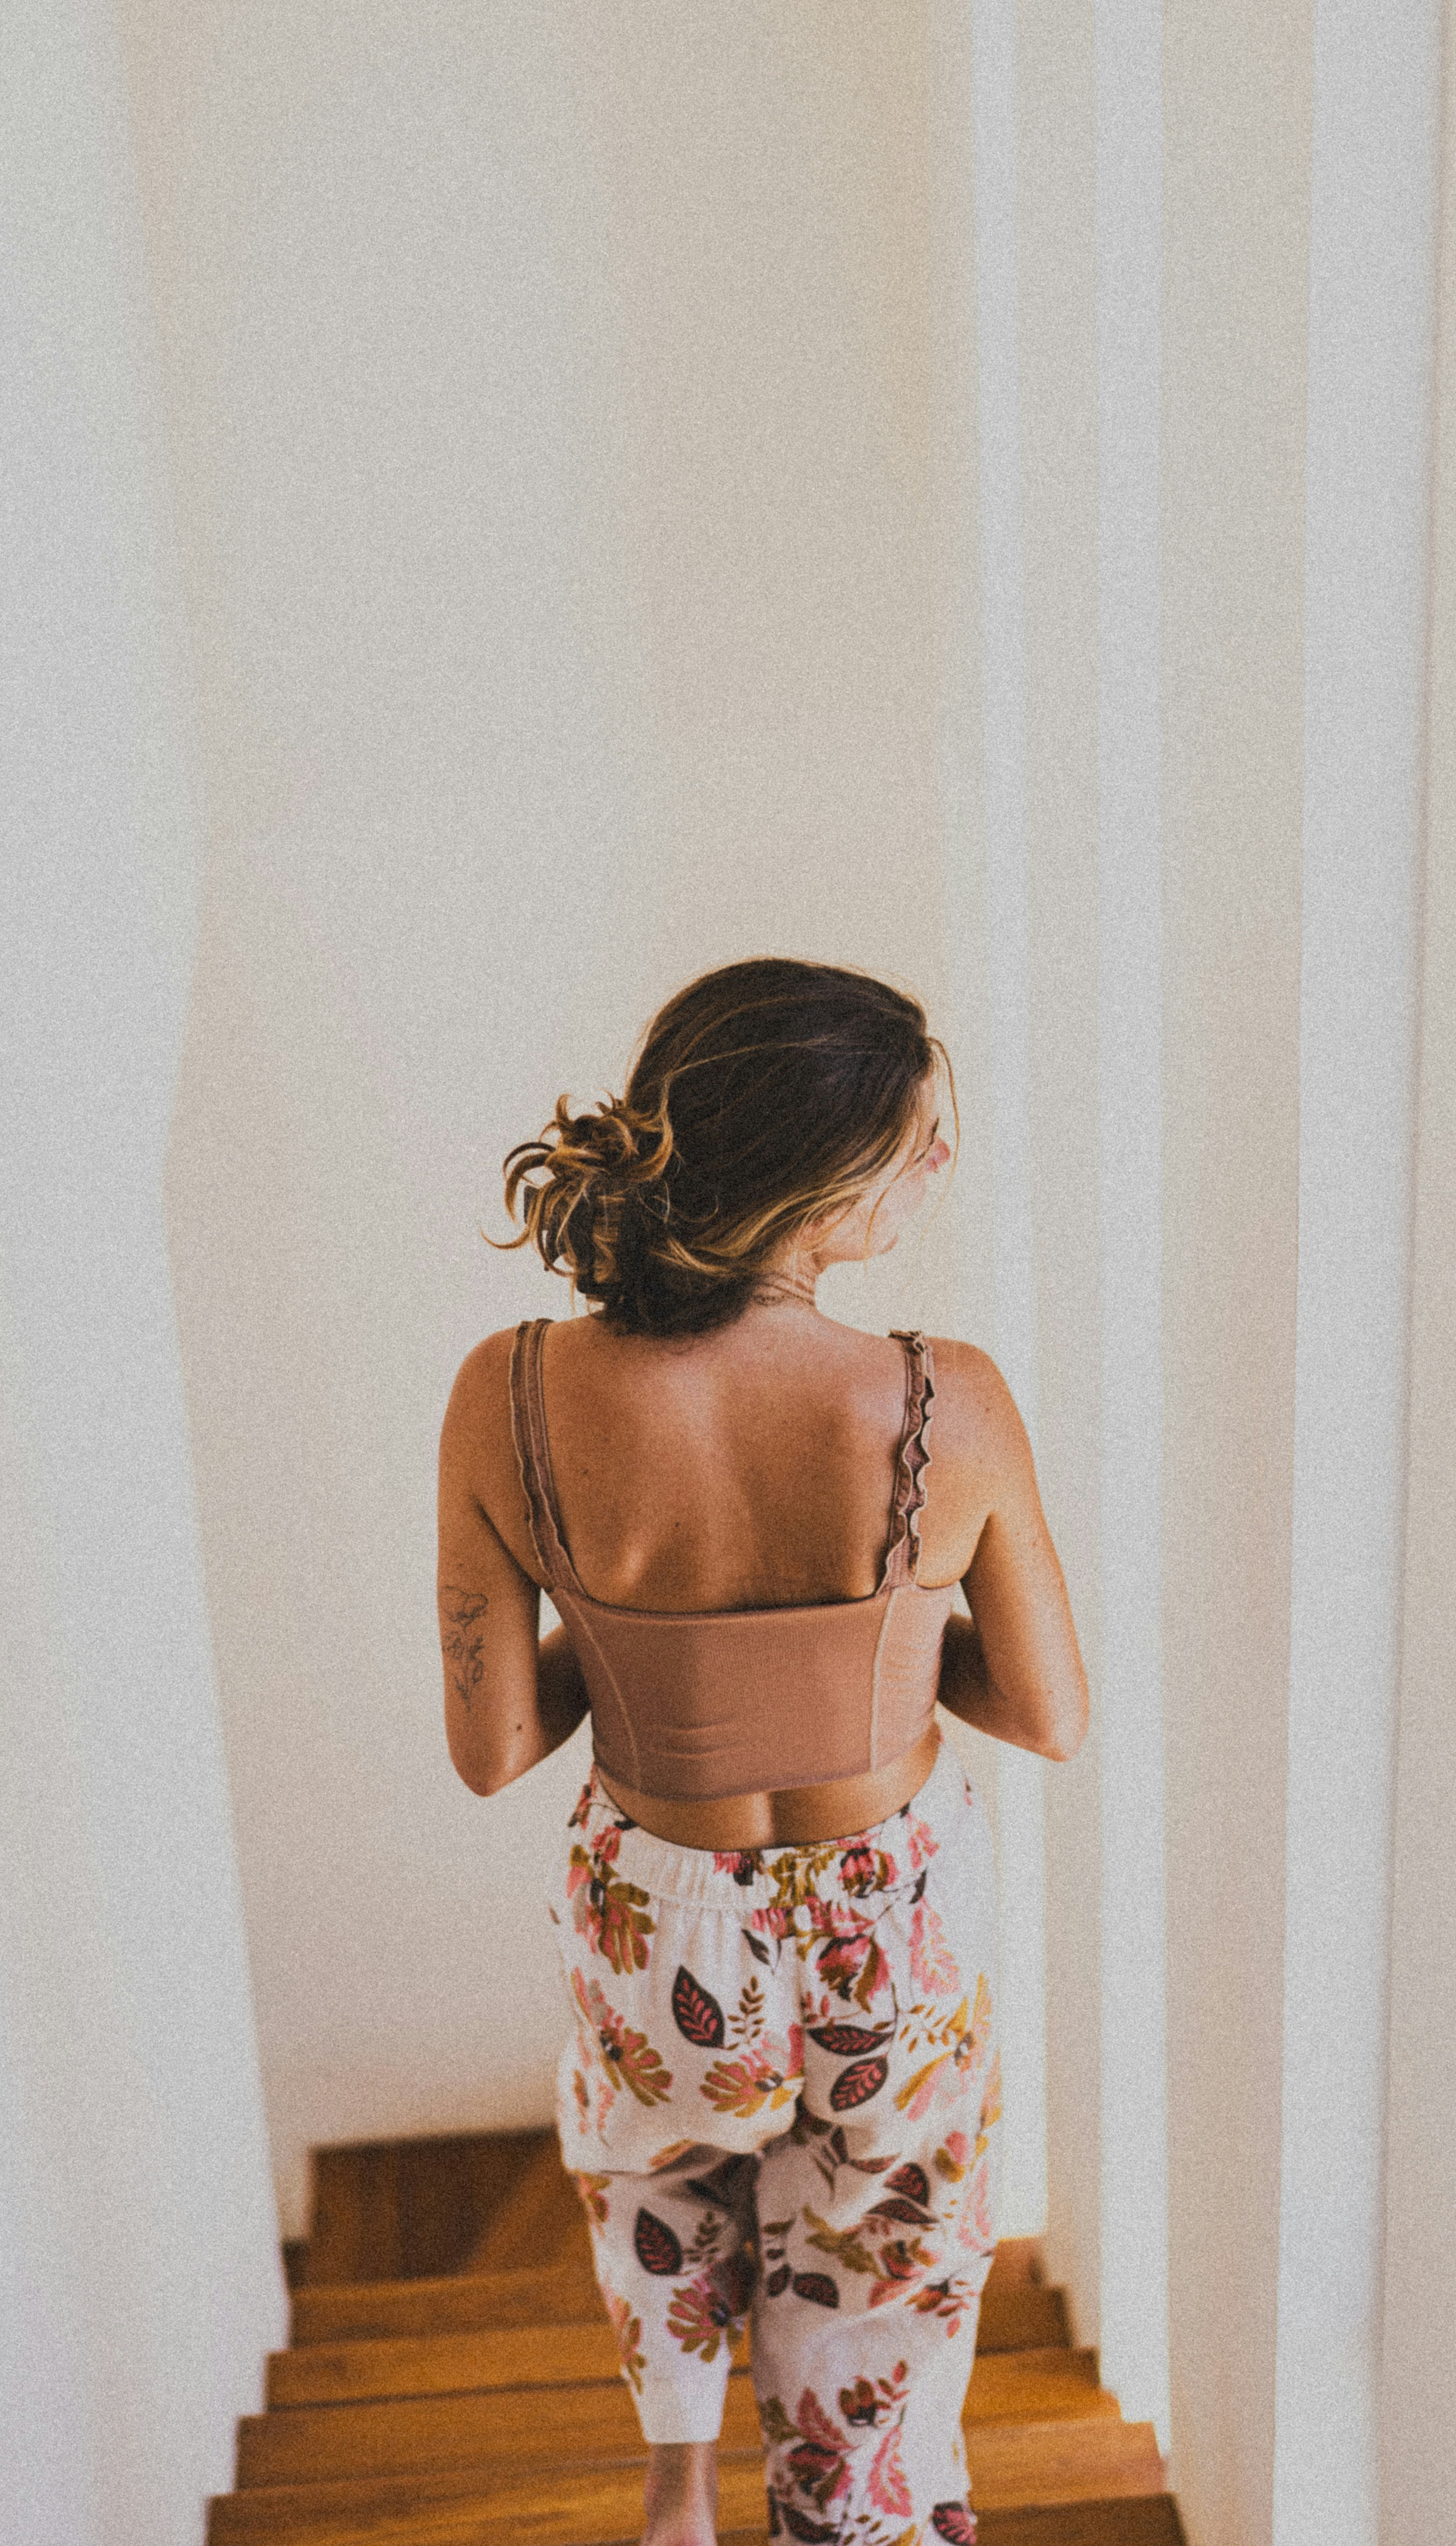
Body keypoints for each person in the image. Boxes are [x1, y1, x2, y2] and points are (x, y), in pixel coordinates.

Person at [435, 956, 1088, 2546]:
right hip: (894, 1914)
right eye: (916, 1143)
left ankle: (675, 2488)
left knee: (653, 2176)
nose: (936, 1168)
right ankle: (847, 2511)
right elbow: (1047, 1710)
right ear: (817, 1185)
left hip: (659, 1915)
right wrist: (860, 1649)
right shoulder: (950, 1398)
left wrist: (639, 1637)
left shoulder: (508, 1392)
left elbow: (494, 1742)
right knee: (883, 2241)